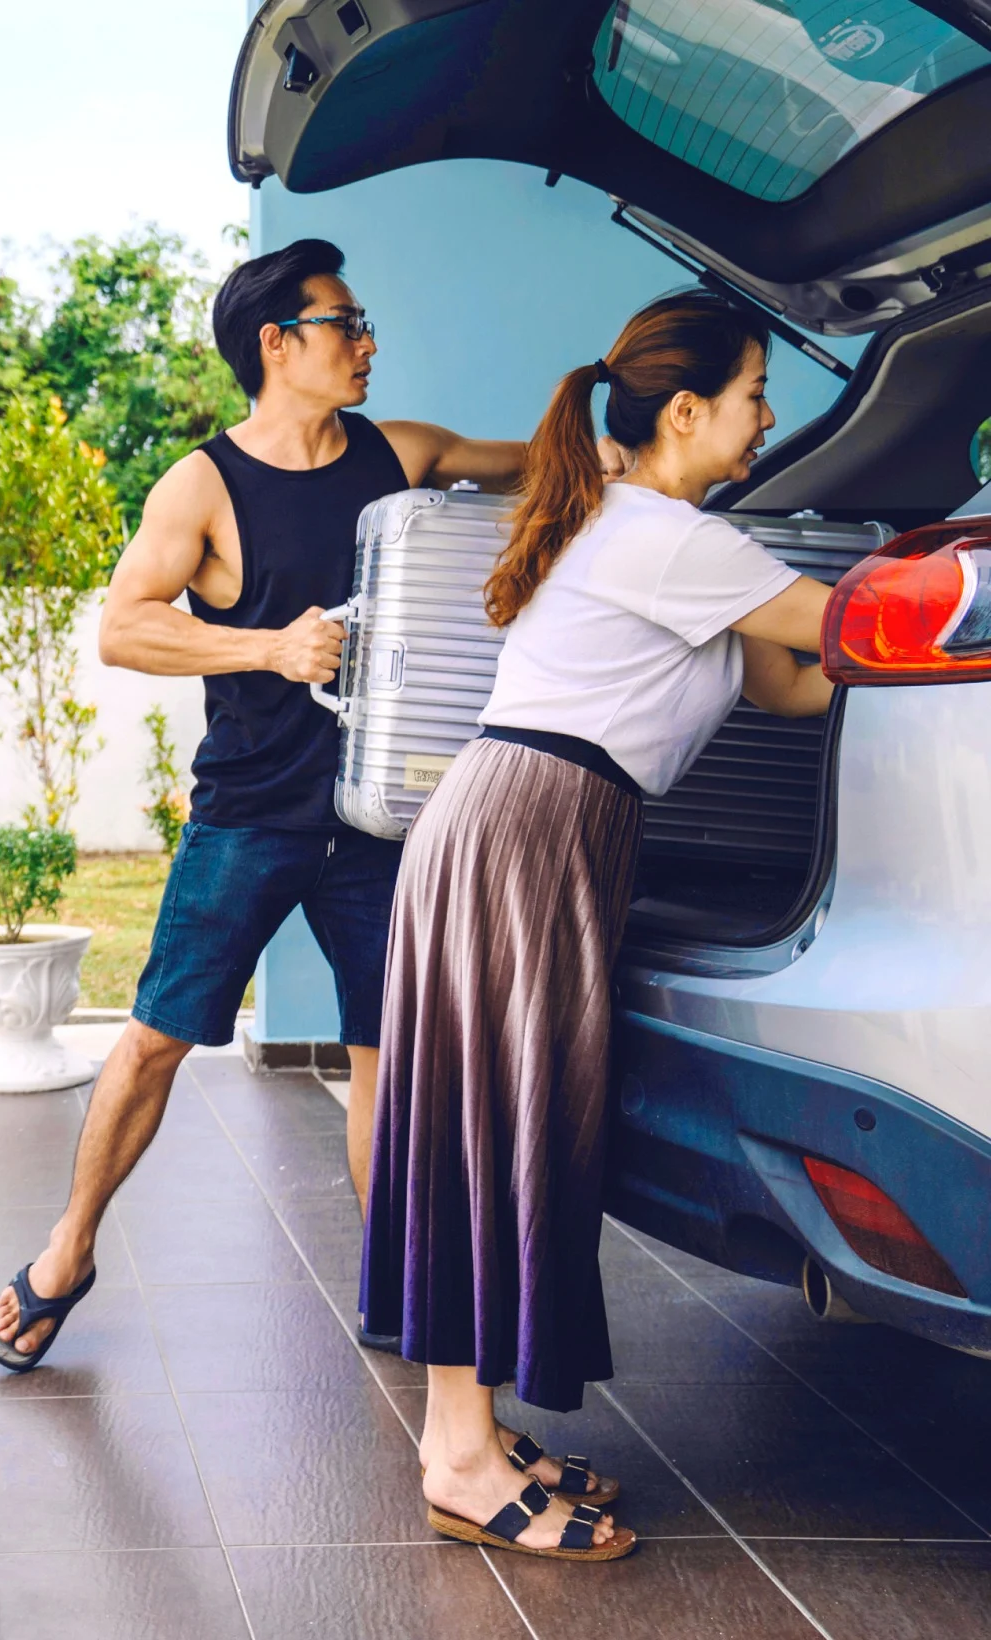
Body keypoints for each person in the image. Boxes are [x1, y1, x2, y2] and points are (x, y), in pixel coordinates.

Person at [0, 238, 525, 1373]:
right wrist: (270, 647)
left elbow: (531, 467)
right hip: (251, 816)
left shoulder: (399, 453)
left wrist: (615, 430)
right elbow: (126, 625)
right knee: (155, 1042)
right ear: (277, 343)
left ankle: (395, 1285)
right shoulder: (204, 482)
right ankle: (67, 1252)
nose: (367, 340)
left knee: (387, 1054)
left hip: (382, 822)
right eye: (345, 320)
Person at [359, 291, 837, 1560]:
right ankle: (458, 1454)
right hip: (533, 825)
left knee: (498, 1123)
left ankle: (469, 1429)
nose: (766, 417)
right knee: (487, 1127)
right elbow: (832, 630)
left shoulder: (668, 533)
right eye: (751, 395)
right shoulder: (669, 537)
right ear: (686, 413)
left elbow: (795, 681)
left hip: (531, 825)